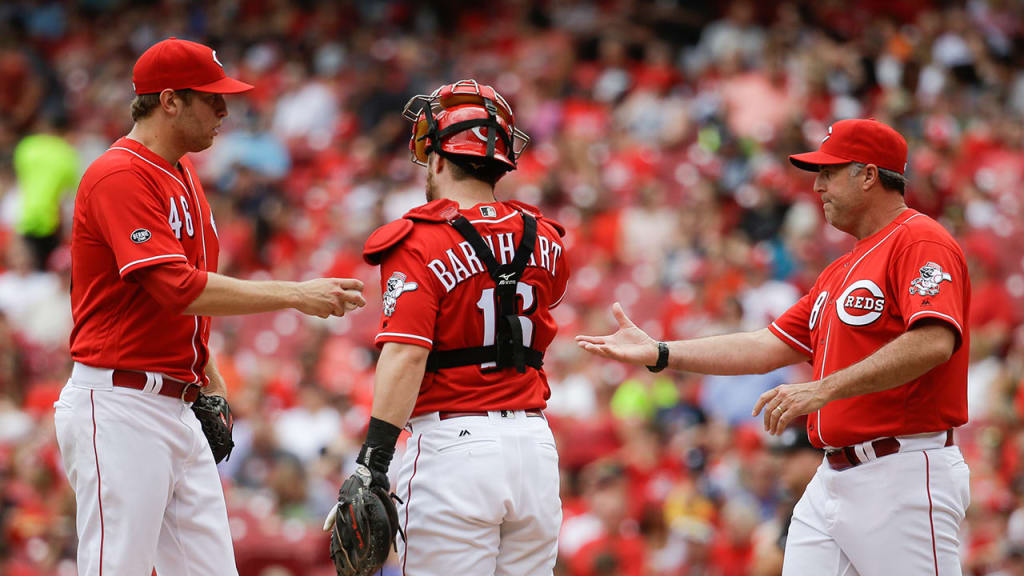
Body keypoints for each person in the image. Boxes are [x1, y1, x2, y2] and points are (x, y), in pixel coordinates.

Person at [577, 118, 971, 575]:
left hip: (903, 467)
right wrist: (663, 353)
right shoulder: (839, 270)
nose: (817, 186)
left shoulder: (919, 240)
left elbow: (934, 341)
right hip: (835, 477)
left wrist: (824, 389)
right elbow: (766, 344)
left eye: (829, 172)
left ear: (868, 175)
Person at [54, 37, 366, 576]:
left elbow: (181, 303)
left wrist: (210, 377)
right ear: (169, 100)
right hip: (120, 403)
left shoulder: (181, 172)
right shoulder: (119, 174)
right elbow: (177, 287)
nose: (224, 109)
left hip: (174, 403)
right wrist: (295, 293)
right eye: (210, 97)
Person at [331, 79, 570, 575]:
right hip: (535, 450)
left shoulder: (418, 240)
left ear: (437, 158)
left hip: (453, 448)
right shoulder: (544, 235)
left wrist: (372, 463)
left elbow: (407, 354)